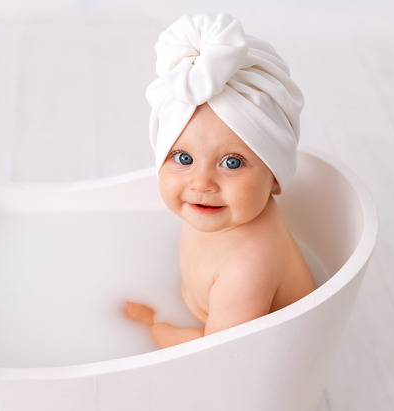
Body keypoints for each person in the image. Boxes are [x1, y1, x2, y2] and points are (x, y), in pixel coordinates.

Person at [125, 13, 315, 348]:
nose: (201, 182)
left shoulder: (249, 267)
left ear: (274, 175)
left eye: (231, 162)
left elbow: (218, 354)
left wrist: (155, 328)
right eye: (183, 158)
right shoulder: (216, 208)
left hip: (265, 354)